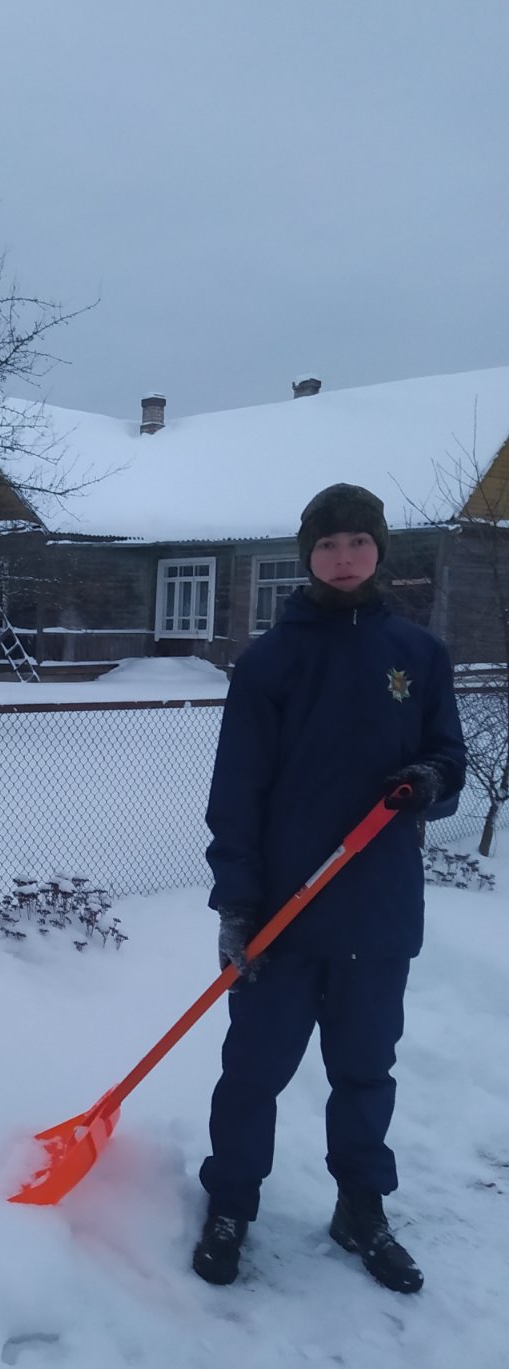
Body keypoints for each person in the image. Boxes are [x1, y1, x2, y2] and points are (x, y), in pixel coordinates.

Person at [193, 483, 466, 1294]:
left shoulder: (419, 655)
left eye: (357, 542)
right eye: (327, 545)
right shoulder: (271, 662)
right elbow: (236, 791)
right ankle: (231, 1202)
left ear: (380, 550)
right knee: (253, 1072)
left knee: (365, 1072)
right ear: (306, 556)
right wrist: (237, 903)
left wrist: (429, 781)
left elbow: (450, 758)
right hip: (284, 912)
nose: (343, 558)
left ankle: (361, 1207)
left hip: (378, 910)